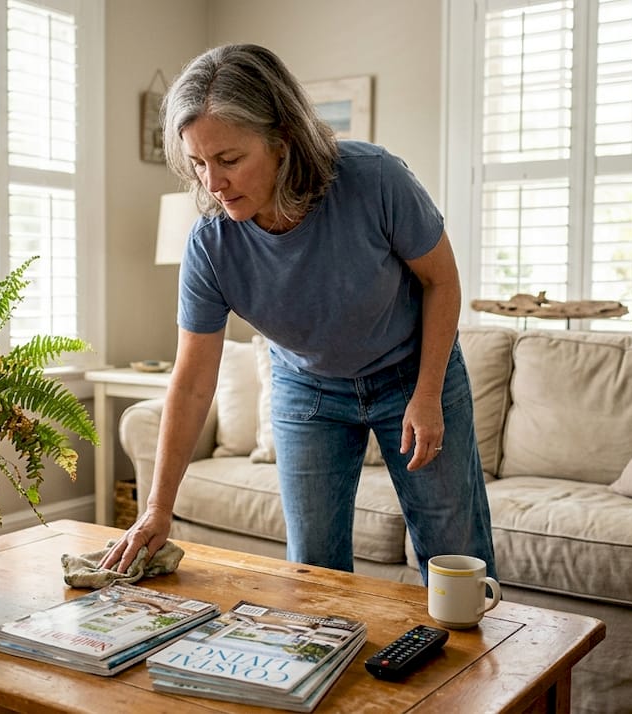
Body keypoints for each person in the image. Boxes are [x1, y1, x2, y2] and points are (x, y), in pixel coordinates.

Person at [102, 44, 495, 584]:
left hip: (412, 369)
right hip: (306, 387)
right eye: (198, 163)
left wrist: (427, 394)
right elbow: (192, 380)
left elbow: (441, 279)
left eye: (230, 160)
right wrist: (157, 507)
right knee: (312, 569)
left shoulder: (373, 178)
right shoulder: (211, 244)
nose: (212, 184)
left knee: (454, 553)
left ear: (282, 140)